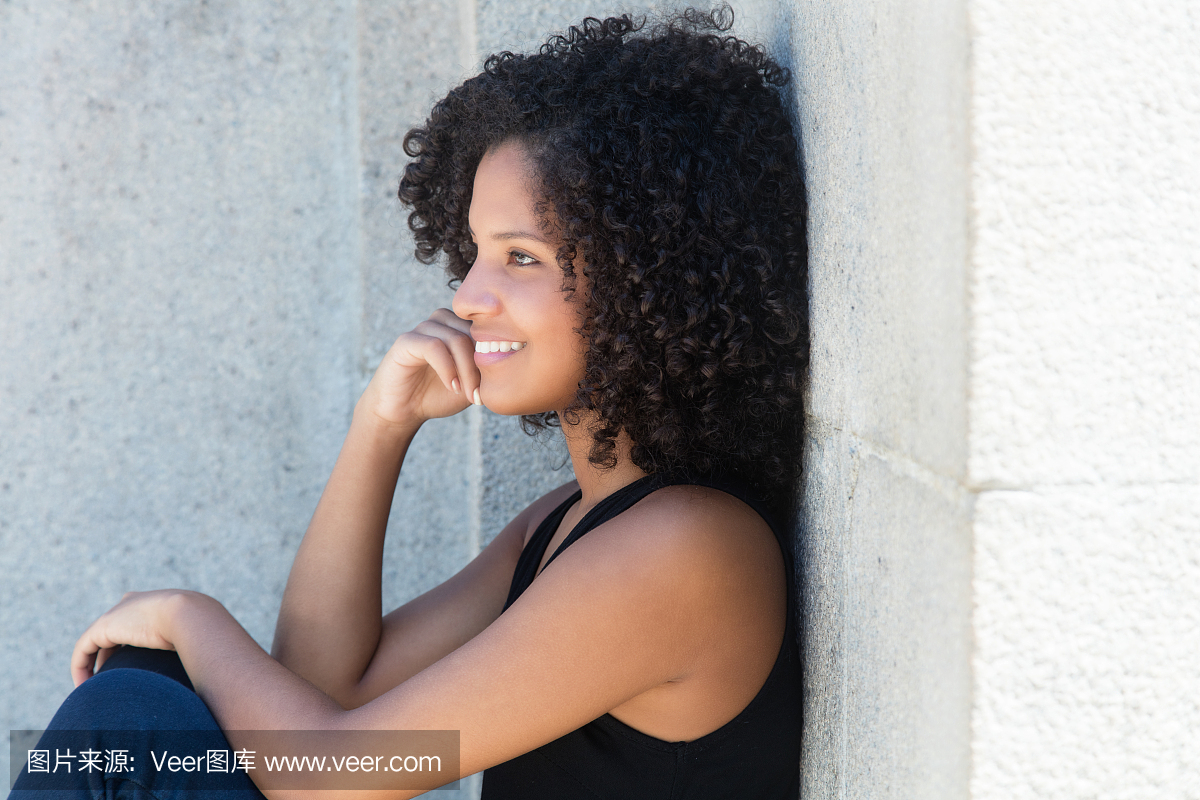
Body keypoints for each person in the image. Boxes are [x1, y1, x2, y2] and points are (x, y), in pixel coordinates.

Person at [9, 7, 807, 799]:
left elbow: (327, 777)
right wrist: (382, 426)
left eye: (520, 258)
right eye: (474, 254)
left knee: (134, 715)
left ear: (650, 280)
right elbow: (325, 687)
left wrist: (188, 614)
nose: (467, 297)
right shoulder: (565, 521)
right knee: (150, 686)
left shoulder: (690, 550)